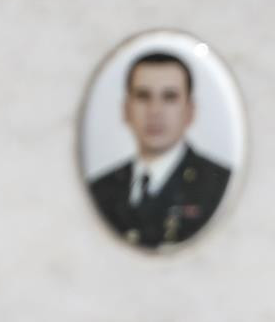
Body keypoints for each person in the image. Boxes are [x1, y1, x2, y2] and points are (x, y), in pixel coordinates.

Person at [89, 51, 233, 249]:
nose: (155, 111)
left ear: (190, 110)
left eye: (169, 97)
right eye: (143, 96)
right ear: (126, 109)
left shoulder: (219, 186)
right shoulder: (100, 189)